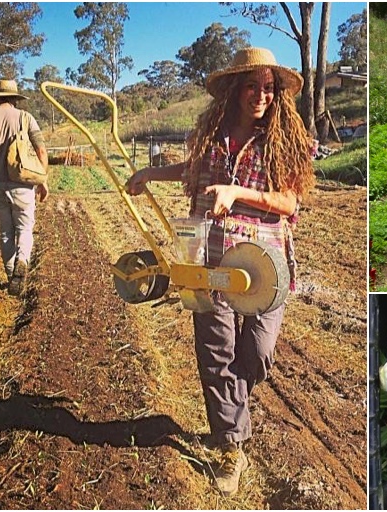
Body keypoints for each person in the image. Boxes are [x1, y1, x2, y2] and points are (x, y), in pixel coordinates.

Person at [124, 47, 314, 496]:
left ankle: (233, 407)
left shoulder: (283, 139)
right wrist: (151, 172)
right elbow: (193, 172)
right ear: (234, 89)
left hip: (264, 263)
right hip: (205, 254)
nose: (261, 95)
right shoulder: (212, 135)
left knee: (259, 352)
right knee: (215, 353)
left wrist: (238, 192)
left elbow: (289, 202)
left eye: (268, 87)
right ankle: (231, 445)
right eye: (252, 86)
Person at [0, 79, 49, 296]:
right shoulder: (26, 118)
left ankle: (10, 273)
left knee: (5, 232)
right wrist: (42, 181)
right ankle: (22, 261)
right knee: (24, 228)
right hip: (22, 185)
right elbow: (41, 151)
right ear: (15, 98)